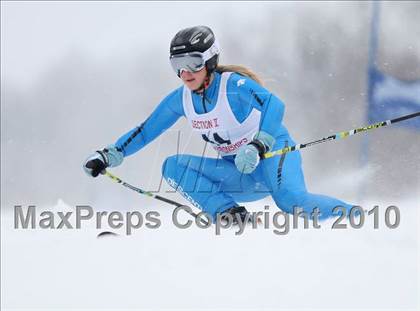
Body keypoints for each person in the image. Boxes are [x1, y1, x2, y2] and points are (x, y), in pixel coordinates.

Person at [83, 25, 354, 222]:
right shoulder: (181, 100)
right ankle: (231, 216)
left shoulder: (233, 86)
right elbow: (145, 131)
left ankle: (356, 218)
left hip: (272, 157)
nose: (184, 72)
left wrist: (260, 144)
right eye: (177, 64)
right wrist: (109, 155)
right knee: (172, 166)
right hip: (239, 172)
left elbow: (275, 105)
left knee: (292, 202)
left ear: (210, 61)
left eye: (193, 62)